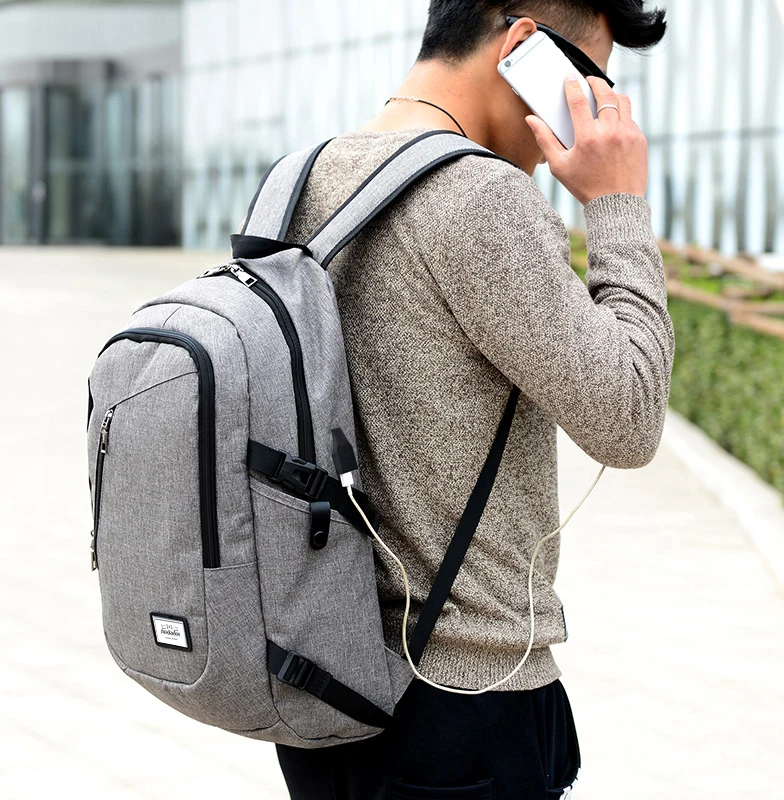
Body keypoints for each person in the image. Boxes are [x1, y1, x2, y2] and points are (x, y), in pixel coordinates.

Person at [274, 1, 673, 798]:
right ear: (523, 45)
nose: (593, 111)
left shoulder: (304, 178)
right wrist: (618, 203)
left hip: (321, 685)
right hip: (464, 700)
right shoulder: (479, 197)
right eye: (587, 80)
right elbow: (630, 416)